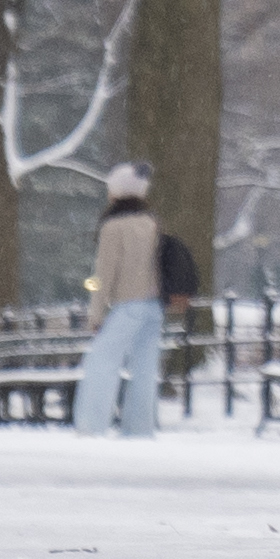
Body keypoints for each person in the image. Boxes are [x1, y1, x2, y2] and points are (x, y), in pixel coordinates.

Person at [79, 163, 183, 439]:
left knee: (101, 361)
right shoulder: (151, 222)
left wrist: (96, 314)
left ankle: (92, 424)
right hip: (153, 306)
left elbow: (104, 274)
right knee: (145, 368)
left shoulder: (114, 226)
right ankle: (139, 428)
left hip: (128, 305)